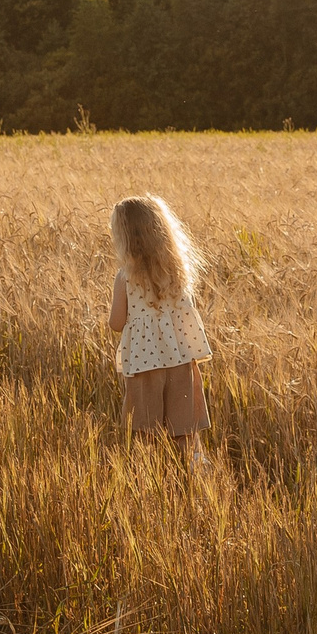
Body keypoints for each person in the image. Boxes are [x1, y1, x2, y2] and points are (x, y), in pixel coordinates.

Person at [106, 194, 215, 466]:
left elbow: (116, 323)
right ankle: (199, 480)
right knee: (187, 432)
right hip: (181, 363)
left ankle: (150, 487)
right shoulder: (178, 273)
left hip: (145, 367)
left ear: (125, 237)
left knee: (146, 435)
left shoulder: (126, 277)